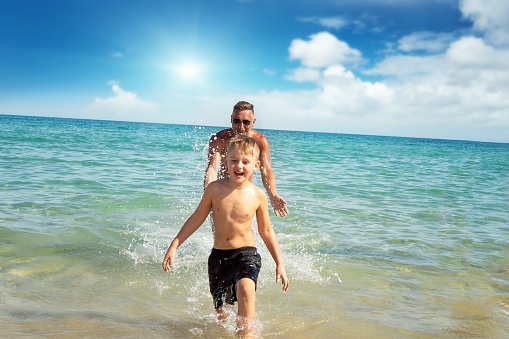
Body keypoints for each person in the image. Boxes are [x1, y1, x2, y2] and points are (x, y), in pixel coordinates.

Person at [163, 135, 289, 338]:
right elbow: (196, 219)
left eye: (245, 162)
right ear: (226, 162)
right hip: (219, 258)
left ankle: (248, 335)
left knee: (246, 290)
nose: (239, 166)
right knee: (222, 313)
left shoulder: (258, 195)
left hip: (246, 254)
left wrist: (279, 263)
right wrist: (175, 244)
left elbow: (266, 231)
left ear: (255, 165)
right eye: (234, 160)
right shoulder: (214, 190)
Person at [204, 101, 289, 217]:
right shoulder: (219, 139)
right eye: (237, 121)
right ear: (231, 119)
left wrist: (273, 195)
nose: (241, 127)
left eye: (246, 122)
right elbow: (212, 168)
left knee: (247, 231)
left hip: (246, 194)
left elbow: (266, 171)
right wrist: (207, 197)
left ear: (253, 122)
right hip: (221, 193)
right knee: (220, 233)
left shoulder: (260, 141)